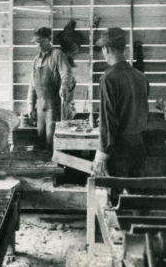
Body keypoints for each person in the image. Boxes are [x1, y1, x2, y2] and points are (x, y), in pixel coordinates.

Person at [92, 27, 149, 177]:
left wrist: (101, 155)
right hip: (139, 147)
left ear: (107, 48)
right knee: (135, 196)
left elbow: (109, 121)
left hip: (119, 151)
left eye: (102, 49)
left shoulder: (108, 78)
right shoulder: (141, 77)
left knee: (116, 197)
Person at [27, 26, 74, 150]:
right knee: (41, 138)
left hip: (54, 104)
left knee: (51, 139)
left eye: (42, 41)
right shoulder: (36, 60)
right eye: (37, 42)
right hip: (40, 105)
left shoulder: (57, 55)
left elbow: (67, 73)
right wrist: (31, 105)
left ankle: (54, 166)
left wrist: (64, 86)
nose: (39, 45)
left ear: (49, 40)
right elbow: (32, 84)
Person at [55, 20, 85, 120]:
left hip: (65, 110)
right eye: (74, 49)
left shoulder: (67, 64)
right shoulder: (60, 66)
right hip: (58, 112)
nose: (76, 51)